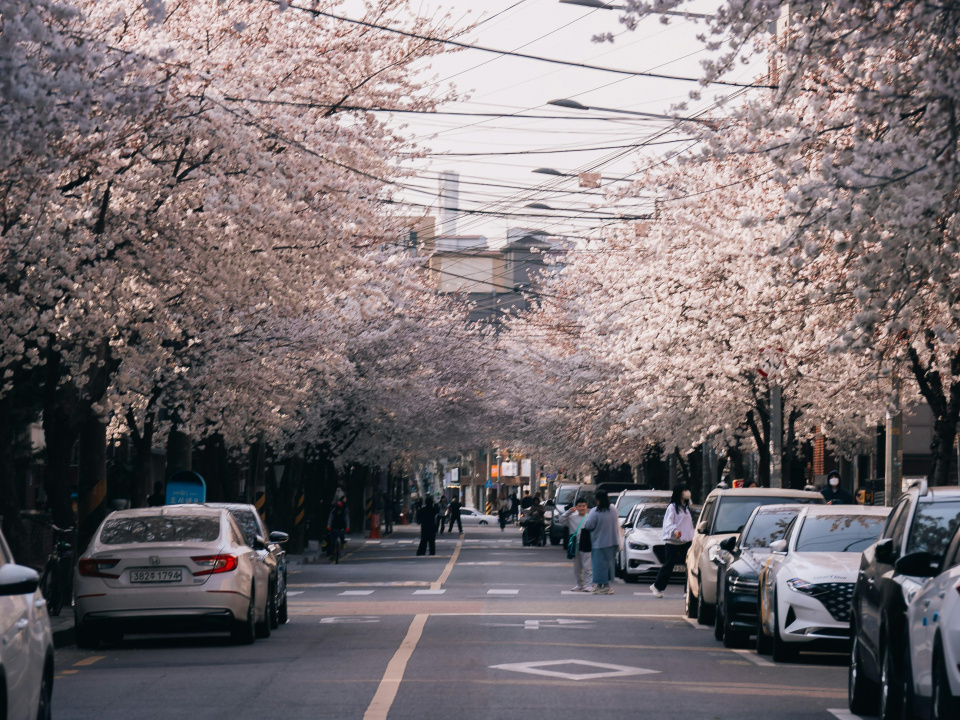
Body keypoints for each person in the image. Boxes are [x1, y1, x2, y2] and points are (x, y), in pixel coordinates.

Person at [650, 483, 695, 597]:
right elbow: (668, 523)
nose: (687, 492)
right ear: (679, 492)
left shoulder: (686, 507)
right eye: (684, 490)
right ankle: (657, 586)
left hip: (686, 541)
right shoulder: (672, 507)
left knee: (689, 565)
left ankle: (688, 590)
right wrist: (675, 531)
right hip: (673, 541)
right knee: (669, 565)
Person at [580, 489, 620, 594]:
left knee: (597, 565)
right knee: (608, 564)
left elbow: (589, 525)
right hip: (612, 541)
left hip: (599, 542)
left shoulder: (595, 511)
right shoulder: (613, 509)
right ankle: (606, 585)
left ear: (597, 500)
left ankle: (599, 586)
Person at [559, 499, 593, 592]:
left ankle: (590, 584)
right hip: (575, 544)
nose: (582, 508)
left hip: (586, 543)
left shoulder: (590, 517)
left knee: (587, 566)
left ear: (586, 507)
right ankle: (580, 585)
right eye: (580, 506)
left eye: (583, 506)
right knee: (577, 567)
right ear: (576, 507)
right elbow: (562, 519)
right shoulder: (572, 517)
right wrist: (569, 511)